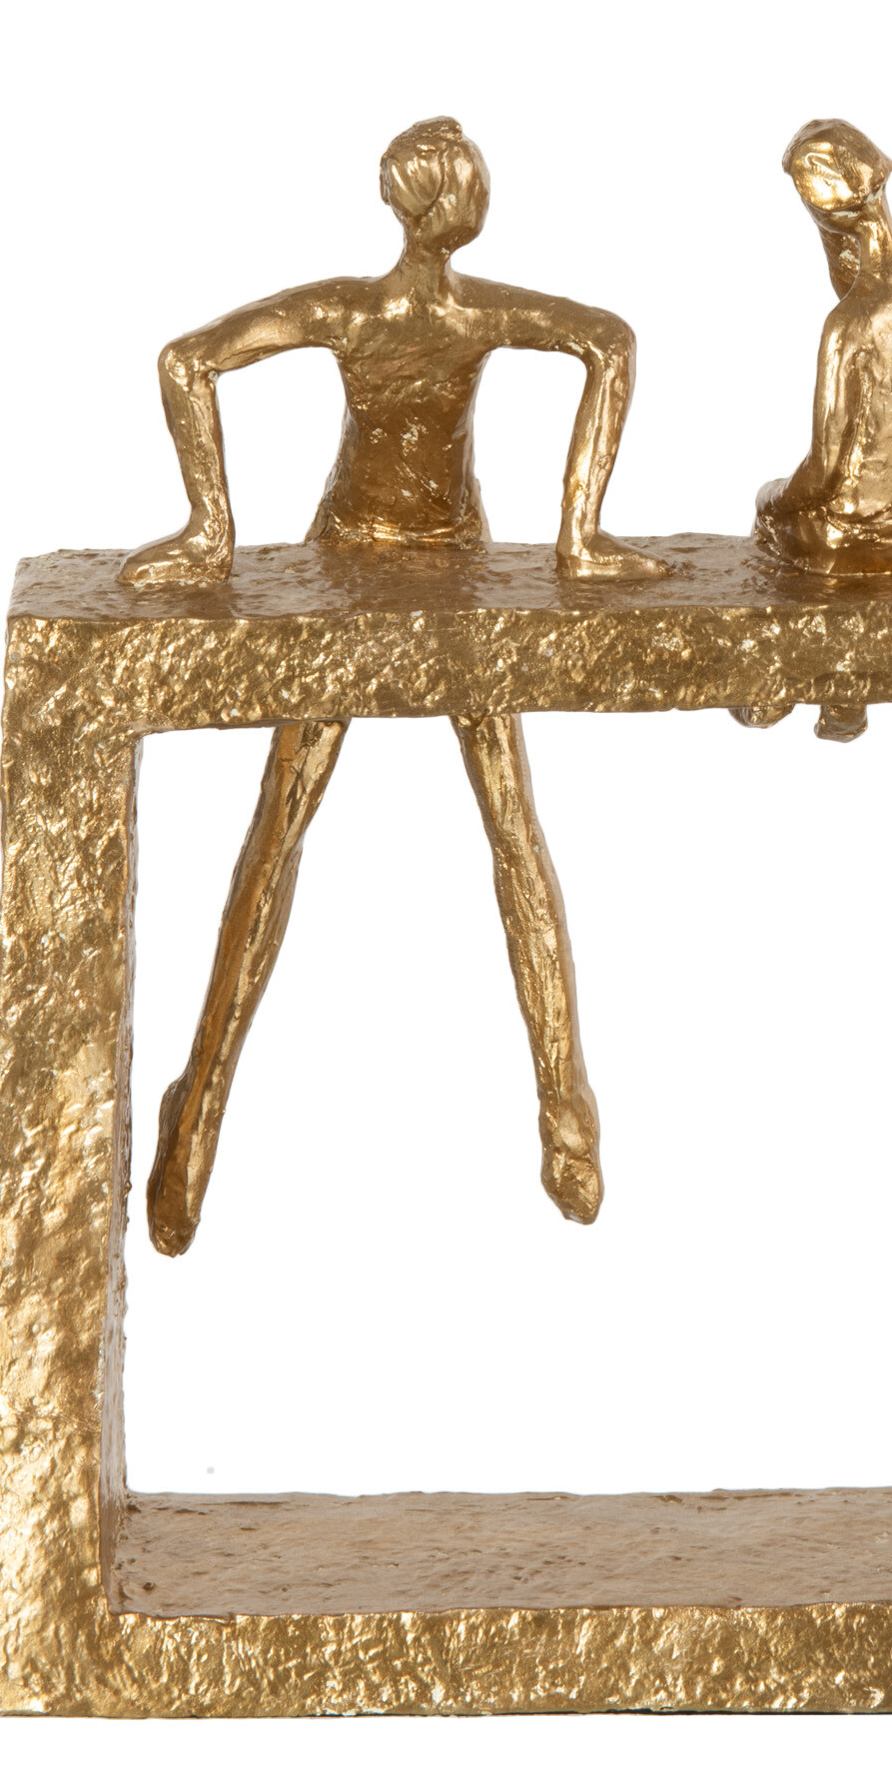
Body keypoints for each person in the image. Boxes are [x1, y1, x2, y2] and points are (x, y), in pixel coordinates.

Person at [121, 116, 668, 1254]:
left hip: (438, 571)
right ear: (454, 208)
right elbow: (609, 341)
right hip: (367, 569)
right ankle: (211, 1107)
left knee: (313, 835)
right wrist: (578, 533)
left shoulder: (366, 309)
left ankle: (549, 1108)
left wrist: (213, 527)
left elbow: (186, 360)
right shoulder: (438, 312)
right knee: (478, 830)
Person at [754, 119, 892, 579]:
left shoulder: (849, 325)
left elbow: (823, 475)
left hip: (845, 537)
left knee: (767, 507)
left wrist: (771, 497)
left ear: (826, 214)